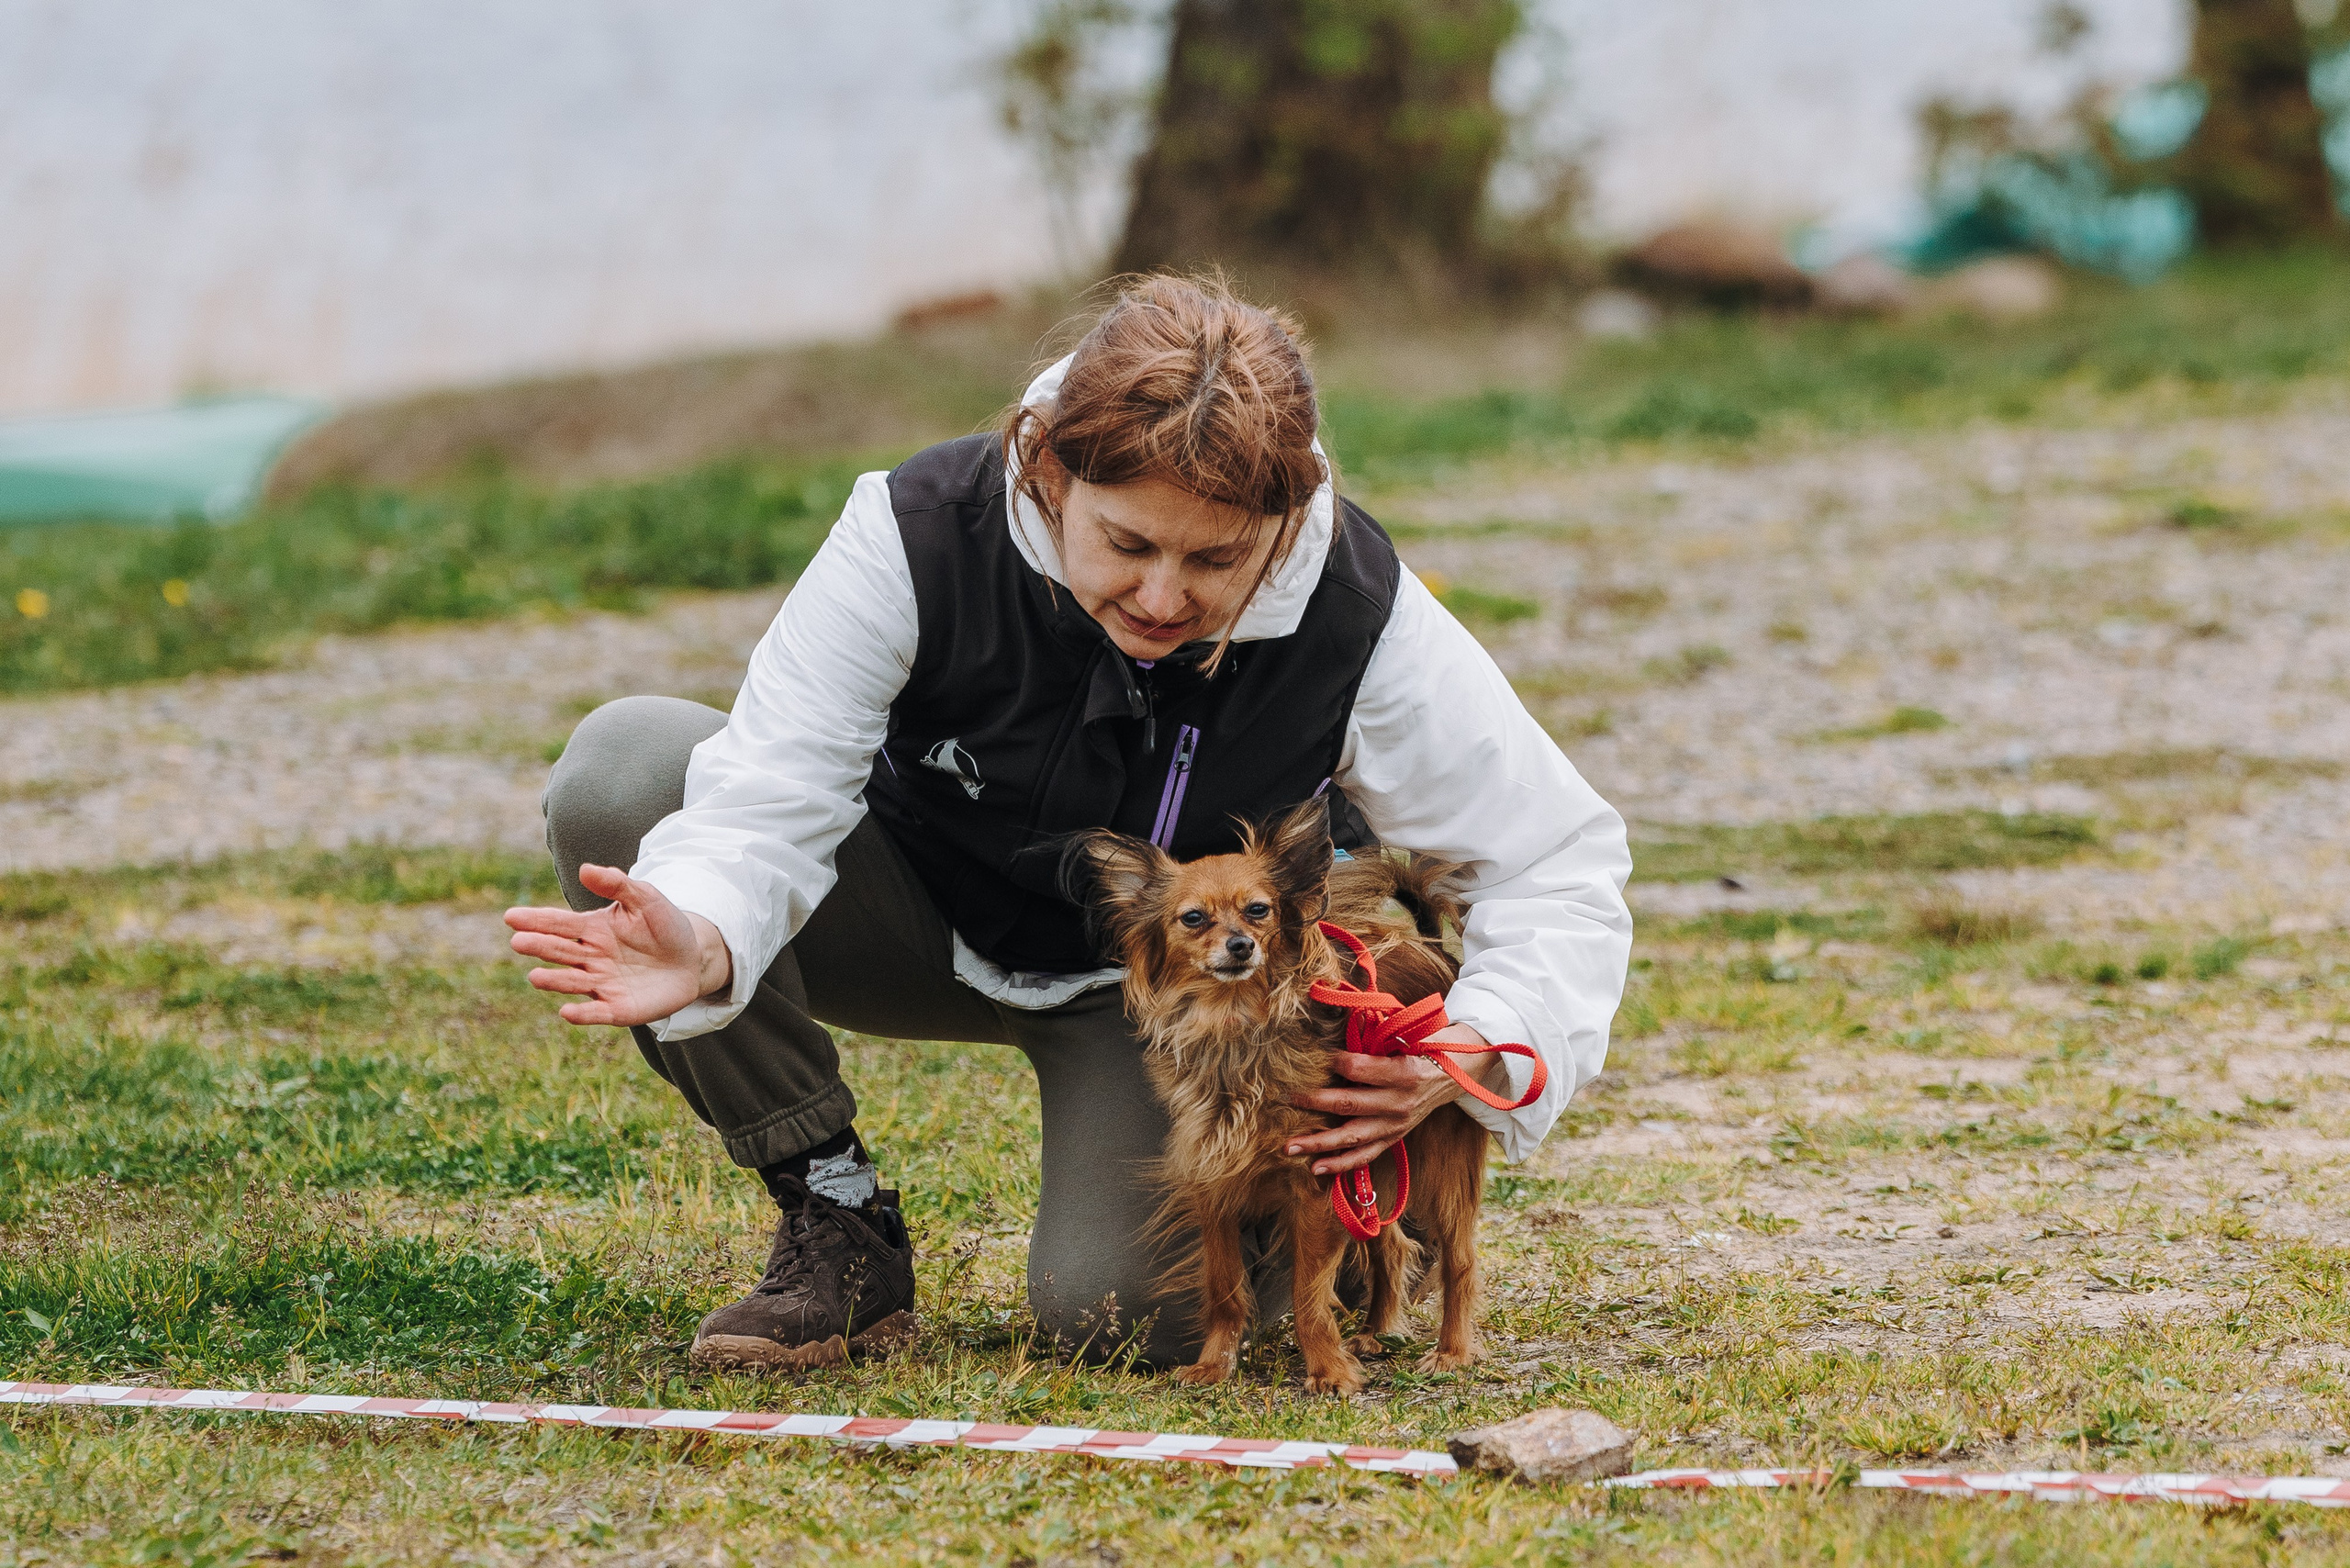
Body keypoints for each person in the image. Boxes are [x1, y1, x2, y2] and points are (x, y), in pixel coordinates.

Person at [505, 274, 1633, 1372]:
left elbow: (1552, 859)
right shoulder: (914, 531)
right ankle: (834, 1212)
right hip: (909, 912)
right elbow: (765, 791)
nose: (1160, 599)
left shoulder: (1357, 608)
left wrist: (1476, 1045)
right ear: (1047, 471)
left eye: (1215, 560)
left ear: (1280, 530)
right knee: (629, 773)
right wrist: (705, 929)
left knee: (1124, 1314)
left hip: (1169, 1000)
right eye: (1129, 545)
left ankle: (1343, 1220)